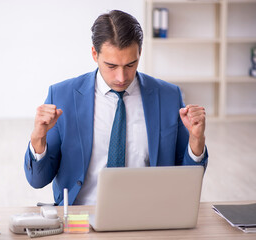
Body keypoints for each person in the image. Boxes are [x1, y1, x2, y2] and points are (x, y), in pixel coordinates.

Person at [24, 10, 208, 206]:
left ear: (140, 53)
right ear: (94, 54)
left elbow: (185, 180)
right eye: (111, 66)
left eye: (130, 64)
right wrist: (38, 138)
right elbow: (37, 180)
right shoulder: (63, 96)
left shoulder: (169, 96)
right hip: (82, 216)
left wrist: (196, 141)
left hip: (149, 215)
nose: (121, 77)